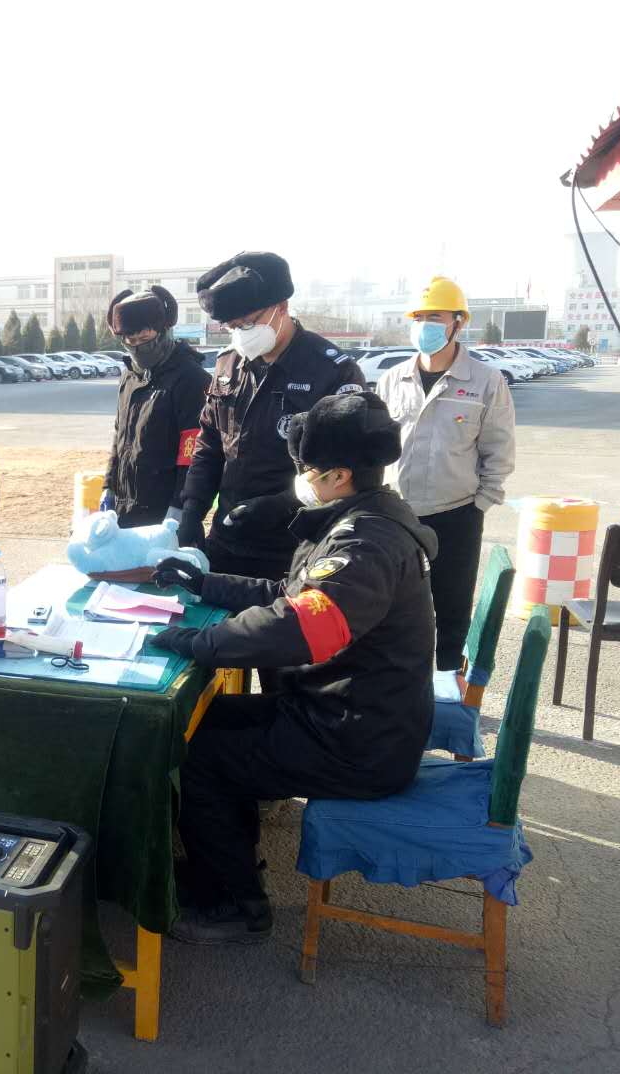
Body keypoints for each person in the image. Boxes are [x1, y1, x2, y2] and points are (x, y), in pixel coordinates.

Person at [147, 391, 437, 944]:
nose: (301, 478)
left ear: (339, 475)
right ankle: (224, 862)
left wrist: (200, 642)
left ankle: (239, 905)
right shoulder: (364, 516)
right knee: (197, 725)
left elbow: (300, 628)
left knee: (198, 758)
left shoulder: (365, 545)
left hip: (356, 741)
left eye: (307, 468)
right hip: (346, 713)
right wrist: (207, 584)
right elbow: (291, 593)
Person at [181, 251, 366, 580]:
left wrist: (281, 505)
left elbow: (343, 468)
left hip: (294, 546)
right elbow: (210, 444)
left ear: (282, 306)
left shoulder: (332, 371)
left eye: (248, 323)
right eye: (232, 327)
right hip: (228, 537)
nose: (241, 333)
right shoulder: (228, 364)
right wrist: (193, 509)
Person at [377, 277, 516, 671]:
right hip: (397, 515)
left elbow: (499, 450)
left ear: (459, 322)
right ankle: (399, 686)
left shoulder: (486, 382)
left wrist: (480, 504)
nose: (425, 326)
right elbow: (377, 447)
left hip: (456, 515)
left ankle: (447, 684)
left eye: (435, 317)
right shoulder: (392, 380)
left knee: (452, 610)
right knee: (392, 608)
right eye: (419, 317)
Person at [100, 285, 211, 528]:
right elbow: (119, 437)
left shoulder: (190, 378)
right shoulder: (129, 378)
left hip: (165, 512)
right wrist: (109, 485)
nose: (138, 347)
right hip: (125, 508)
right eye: (131, 340)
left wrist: (180, 506)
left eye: (145, 338)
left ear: (164, 330)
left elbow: (194, 450)